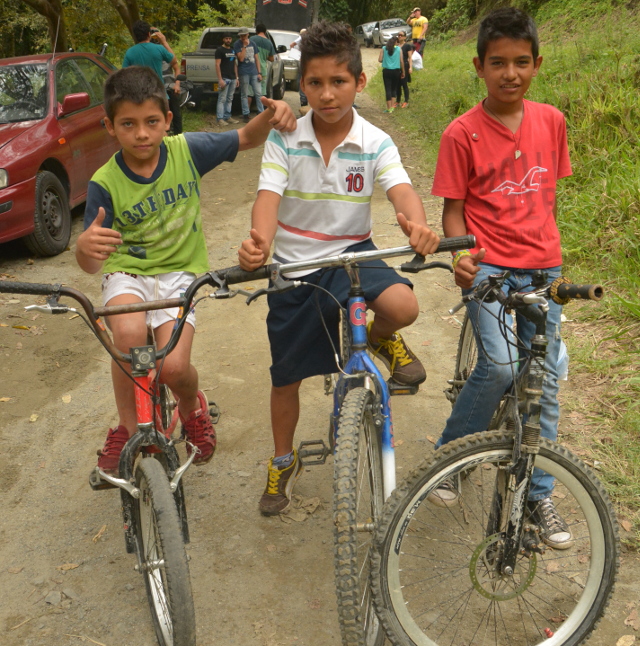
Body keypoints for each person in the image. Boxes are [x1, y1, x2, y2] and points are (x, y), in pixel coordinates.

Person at [237, 21, 440, 516]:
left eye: (339, 82)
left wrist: (417, 224)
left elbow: (401, 190)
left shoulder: (376, 141)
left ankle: (381, 336)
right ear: (301, 84)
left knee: (404, 305)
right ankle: (283, 458)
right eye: (315, 83)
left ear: (359, 82)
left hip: (353, 255)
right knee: (285, 377)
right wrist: (260, 243)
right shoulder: (286, 138)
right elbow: (268, 198)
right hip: (296, 266)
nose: (327, 95)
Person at [75, 66, 296, 476]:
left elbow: (246, 137)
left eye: (151, 122)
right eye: (128, 124)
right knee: (126, 335)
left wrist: (275, 112)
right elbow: (92, 263)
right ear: (110, 126)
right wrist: (85, 248)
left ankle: (191, 407)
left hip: (181, 274)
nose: (142, 134)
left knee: (173, 368)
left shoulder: (187, 151)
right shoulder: (104, 182)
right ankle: (127, 426)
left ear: (167, 121)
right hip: (129, 273)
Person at [430, 7, 574, 550]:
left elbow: (547, 197)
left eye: (520, 62)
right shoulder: (461, 133)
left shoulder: (552, 122)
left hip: (544, 265)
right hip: (489, 266)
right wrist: (463, 257)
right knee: (501, 364)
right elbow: (454, 210)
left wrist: (548, 255)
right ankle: (452, 457)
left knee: (542, 379)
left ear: (536, 64)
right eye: (497, 63)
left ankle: (539, 493)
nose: (509, 73)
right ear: (478, 66)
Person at [123, 20, 183, 134]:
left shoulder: (130, 53)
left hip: (140, 96)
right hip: (159, 93)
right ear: (149, 34)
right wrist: (164, 42)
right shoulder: (158, 49)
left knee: (146, 127)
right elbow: (174, 61)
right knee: (164, 126)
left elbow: (124, 75)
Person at [234, 28, 264, 122]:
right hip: (244, 72)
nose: (243, 37)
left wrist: (259, 72)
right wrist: (244, 47)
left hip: (254, 72)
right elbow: (241, 59)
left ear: (248, 35)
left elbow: (256, 59)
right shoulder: (237, 44)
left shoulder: (253, 44)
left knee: (258, 93)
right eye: (241, 35)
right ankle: (246, 114)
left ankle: (261, 112)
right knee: (244, 94)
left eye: (244, 35)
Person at [215, 32, 240, 126]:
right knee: (222, 99)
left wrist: (237, 78)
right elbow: (217, 65)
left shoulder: (233, 50)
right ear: (223, 39)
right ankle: (220, 119)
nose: (228, 40)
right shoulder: (219, 50)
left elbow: (234, 64)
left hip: (233, 78)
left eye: (229, 38)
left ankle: (227, 116)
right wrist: (220, 79)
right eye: (226, 38)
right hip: (224, 78)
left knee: (230, 98)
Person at [378, 36, 404, 113]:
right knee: (394, 88)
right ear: (395, 42)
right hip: (396, 71)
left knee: (388, 89)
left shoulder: (384, 48)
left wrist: (386, 59)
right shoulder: (399, 49)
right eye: (397, 42)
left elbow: (379, 59)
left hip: (386, 71)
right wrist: (403, 72)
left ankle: (388, 108)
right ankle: (392, 107)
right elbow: (401, 61)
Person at [251, 23, 276, 97]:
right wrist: (265, 55)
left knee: (249, 93)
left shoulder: (251, 39)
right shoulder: (269, 43)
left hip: (251, 69)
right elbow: (272, 59)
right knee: (262, 92)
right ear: (265, 31)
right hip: (262, 70)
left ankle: (247, 108)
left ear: (256, 31)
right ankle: (262, 108)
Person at [289, 29, 308, 112]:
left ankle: (304, 103)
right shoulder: (310, 39)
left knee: (302, 80)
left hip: (303, 62)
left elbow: (291, 44)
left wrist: (296, 53)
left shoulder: (301, 38)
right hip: (309, 62)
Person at [396, 31, 413, 108]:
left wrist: (410, 67)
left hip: (405, 65)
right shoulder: (396, 46)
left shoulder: (407, 46)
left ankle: (406, 101)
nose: (399, 36)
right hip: (397, 66)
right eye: (398, 35)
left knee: (404, 83)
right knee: (397, 84)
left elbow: (410, 57)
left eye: (401, 35)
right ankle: (398, 100)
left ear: (405, 37)